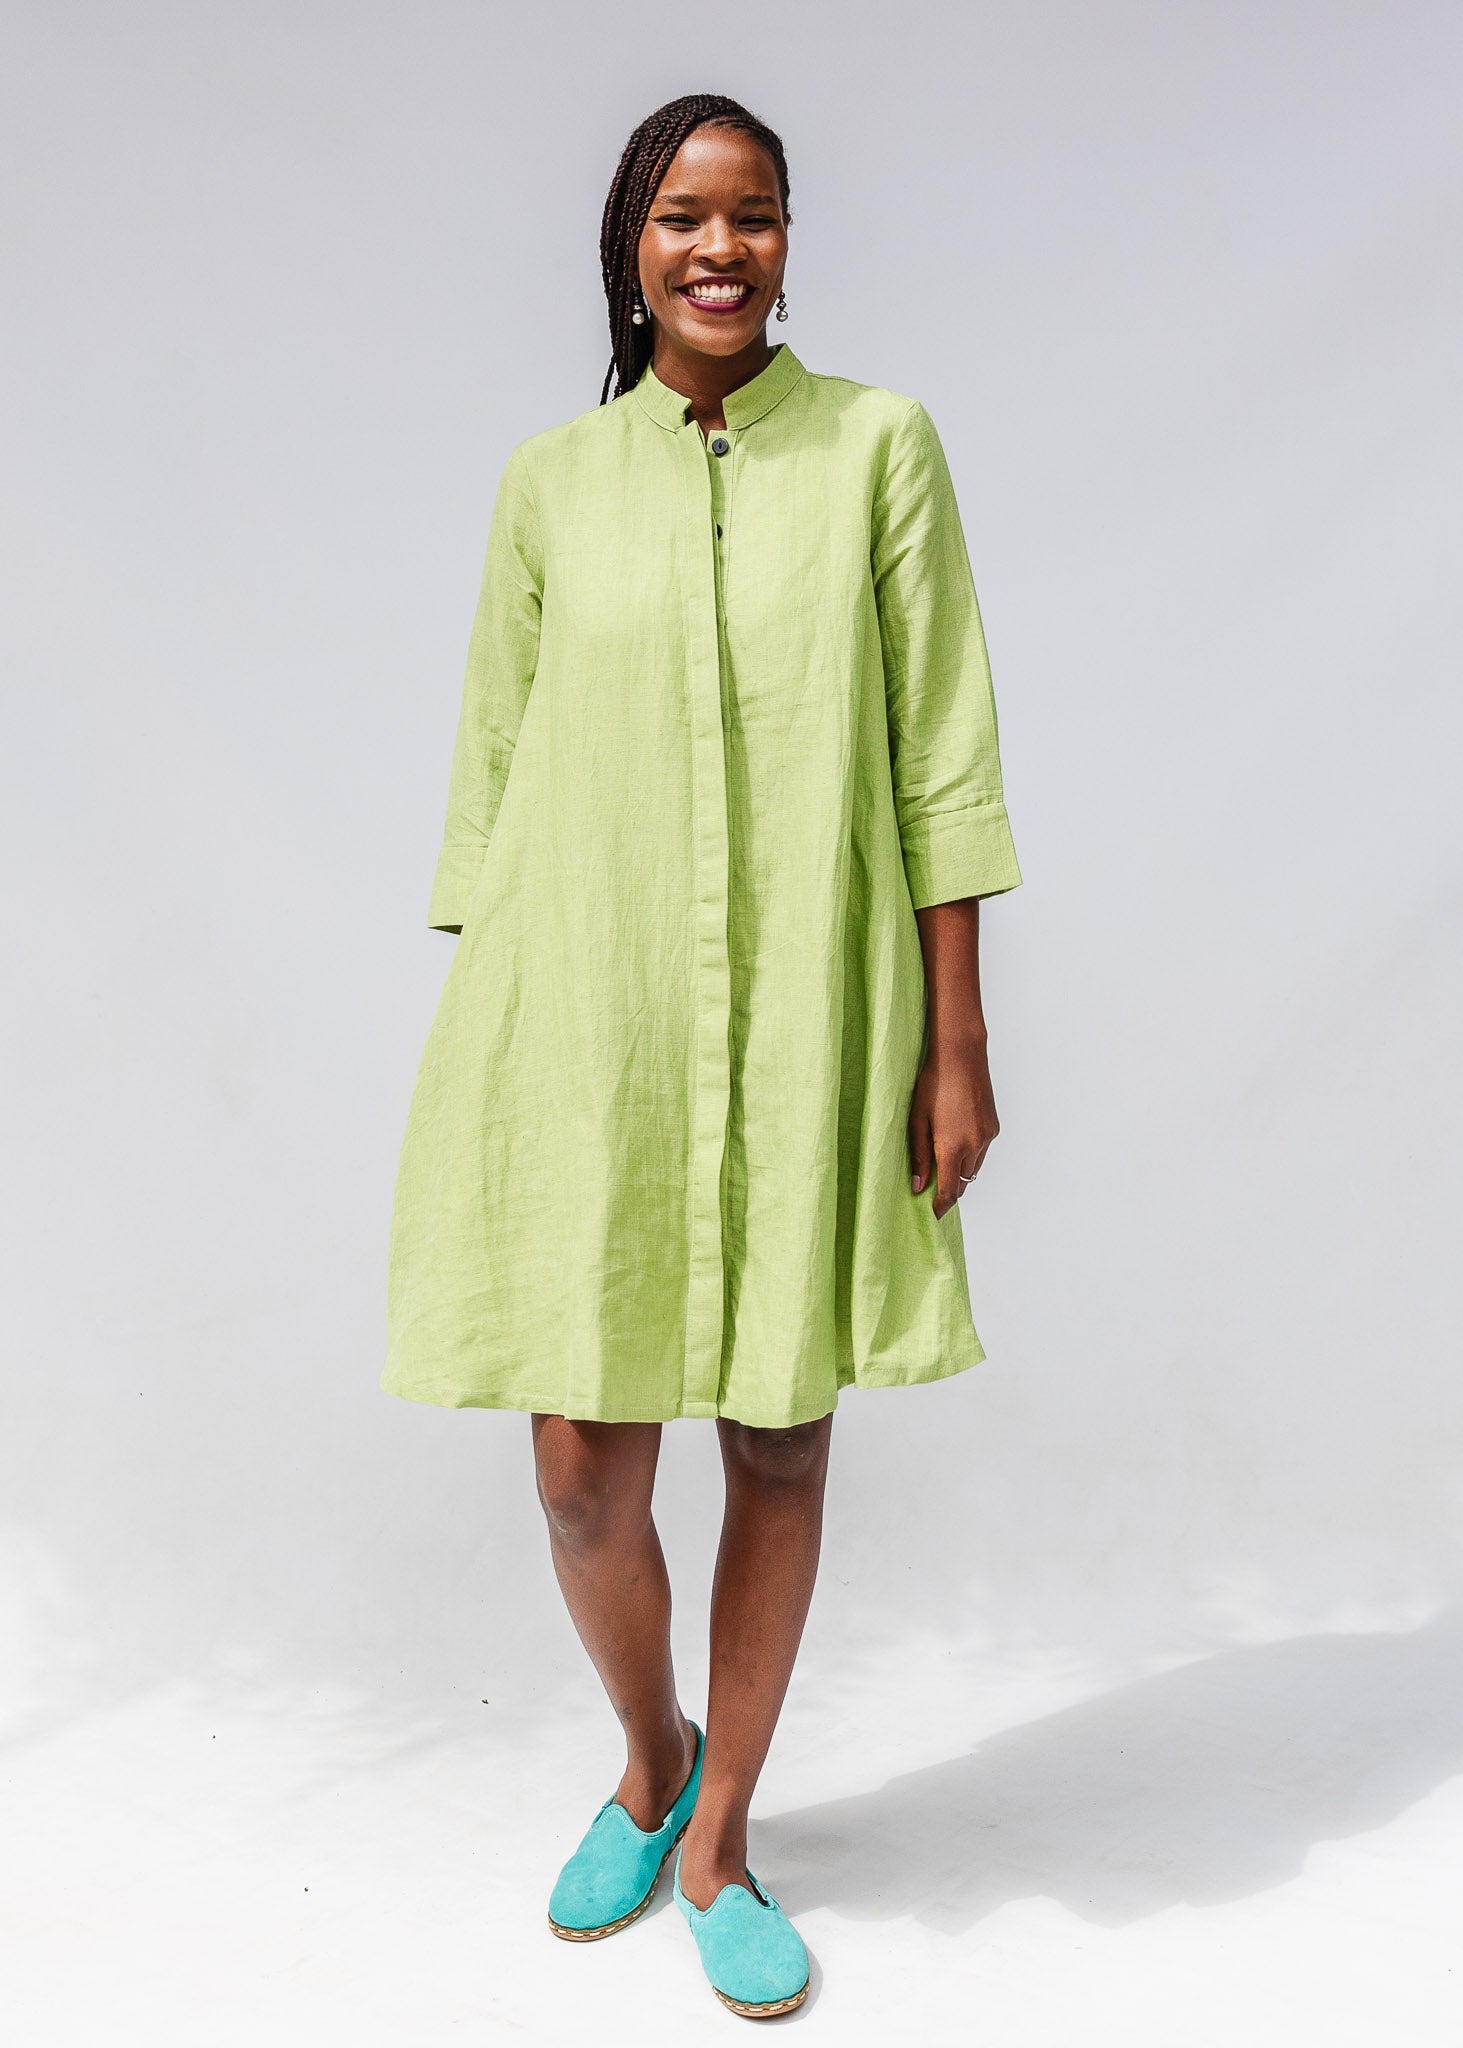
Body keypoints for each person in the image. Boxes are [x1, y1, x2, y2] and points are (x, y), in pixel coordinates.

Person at [382, 91, 1022, 2020]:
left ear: (789, 241)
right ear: (632, 245)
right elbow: (493, 773)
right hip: (587, 1016)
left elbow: (940, 752)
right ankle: (650, 1757)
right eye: (683, 215)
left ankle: (724, 1832)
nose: (719, 247)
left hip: (814, 1008)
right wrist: (502, 1049)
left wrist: (956, 1034)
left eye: (753, 214)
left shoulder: (880, 448)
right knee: (583, 1472)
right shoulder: (551, 482)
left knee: (780, 1434)